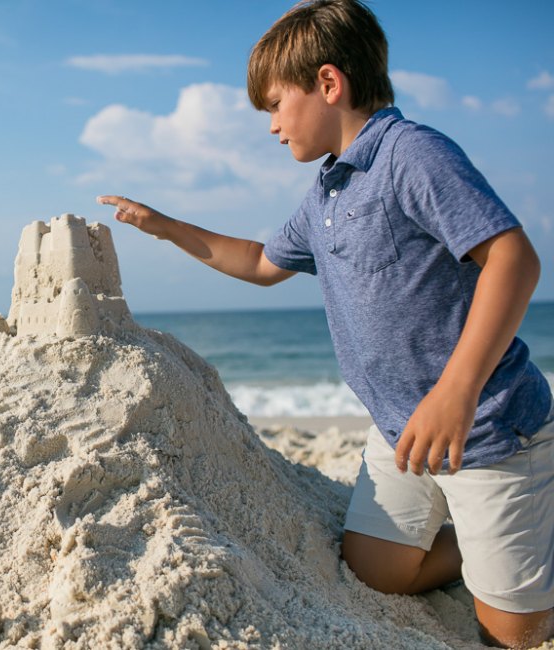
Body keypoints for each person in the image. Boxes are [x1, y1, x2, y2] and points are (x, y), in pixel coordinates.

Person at [98, 1, 552, 646]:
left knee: (515, 631)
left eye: (276, 105)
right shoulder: (328, 192)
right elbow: (259, 262)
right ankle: (497, 546)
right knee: (377, 572)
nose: (274, 126)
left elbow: (512, 256)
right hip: (403, 429)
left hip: (487, 427)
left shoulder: (411, 155)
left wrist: (457, 392)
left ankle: (528, 530)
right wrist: (163, 225)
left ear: (329, 84)